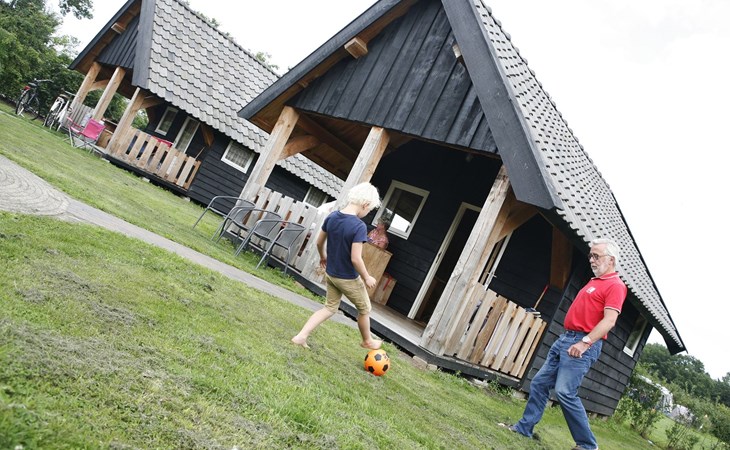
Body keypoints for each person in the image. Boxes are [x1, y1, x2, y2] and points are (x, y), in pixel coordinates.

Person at [501, 238, 627, 450]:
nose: (592, 260)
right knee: (540, 384)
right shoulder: (595, 282)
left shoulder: (616, 286)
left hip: (582, 343)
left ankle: (587, 446)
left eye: (596, 256)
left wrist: (585, 343)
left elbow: (609, 321)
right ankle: (524, 428)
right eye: (591, 256)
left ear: (611, 260)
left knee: (564, 392)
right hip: (566, 339)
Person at [291, 182, 383, 350]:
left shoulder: (332, 217)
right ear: (365, 204)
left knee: (329, 308)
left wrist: (323, 257)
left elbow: (319, 242)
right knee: (364, 309)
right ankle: (367, 340)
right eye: (369, 210)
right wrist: (367, 276)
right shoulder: (358, 226)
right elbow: (355, 259)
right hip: (348, 278)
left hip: (331, 274)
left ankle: (301, 336)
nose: (366, 213)